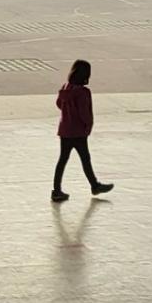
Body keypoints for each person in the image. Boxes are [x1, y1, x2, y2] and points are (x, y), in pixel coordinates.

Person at [53, 60, 113, 203]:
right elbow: (84, 113)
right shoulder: (83, 92)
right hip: (78, 131)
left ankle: (56, 190)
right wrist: (88, 125)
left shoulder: (65, 87)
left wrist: (68, 112)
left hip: (65, 130)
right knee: (85, 159)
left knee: (62, 160)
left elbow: (59, 104)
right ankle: (94, 185)